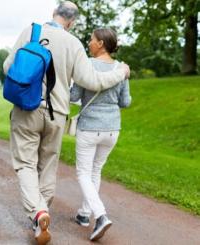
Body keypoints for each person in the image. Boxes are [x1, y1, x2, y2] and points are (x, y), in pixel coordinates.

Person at [3, 2, 130, 244]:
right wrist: (121, 73)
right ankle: (42, 214)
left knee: (26, 164)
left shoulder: (31, 30)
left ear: (54, 14)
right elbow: (92, 80)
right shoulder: (73, 44)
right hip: (56, 114)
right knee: (48, 164)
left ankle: (38, 213)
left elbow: (8, 66)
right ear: (71, 23)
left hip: (25, 110)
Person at [70, 28, 132, 241]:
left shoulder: (86, 64)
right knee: (95, 171)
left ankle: (101, 215)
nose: (89, 42)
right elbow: (125, 102)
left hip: (89, 127)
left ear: (101, 44)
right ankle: (84, 215)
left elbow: (74, 95)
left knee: (83, 173)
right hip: (113, 129)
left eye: (92, 39)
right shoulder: (121, 69)